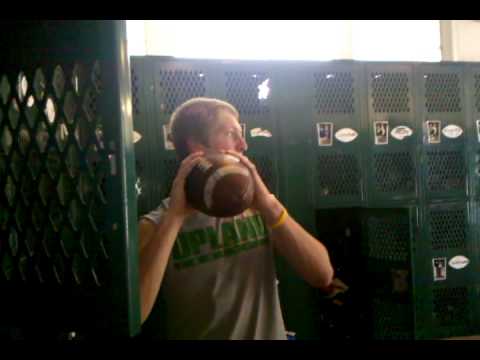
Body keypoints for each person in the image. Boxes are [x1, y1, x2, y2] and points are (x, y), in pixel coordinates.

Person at [138, 97, 334, 340]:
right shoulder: (155, 225)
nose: (243, 144)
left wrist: (269, 206)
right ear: (197, 146)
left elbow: (322, 274)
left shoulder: (259, 207)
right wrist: (174, 219)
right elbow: (134, 314)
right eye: (231, 133)